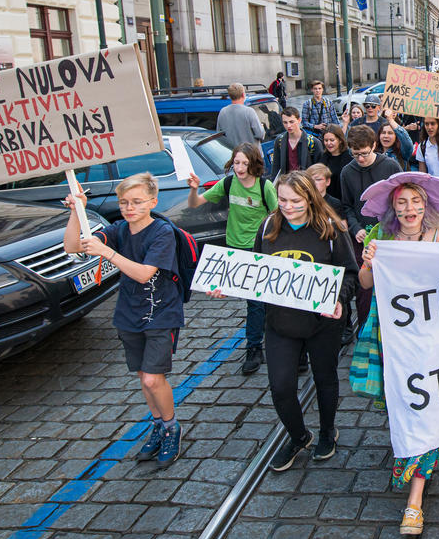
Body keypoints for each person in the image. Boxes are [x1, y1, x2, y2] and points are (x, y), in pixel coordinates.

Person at [218, 172, 357, 471]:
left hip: (322, 324)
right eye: (282, 200)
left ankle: (326, 431)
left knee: (325, 379)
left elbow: (350, 273)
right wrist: (227, 284)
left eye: (295, 201)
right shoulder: (268, 226)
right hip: (281, 323)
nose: (288, 206)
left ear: (310, 198)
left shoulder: (330, 229)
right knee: (280, 387)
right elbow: (253, 271)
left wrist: (339, 299)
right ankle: (298, 436)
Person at [358, 173, 439, 535]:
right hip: (394, 337)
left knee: (427, 404)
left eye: (416, 202)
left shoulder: (438, 237)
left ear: (426, 206)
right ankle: (410, 445)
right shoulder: (380, 239)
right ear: (393, 208)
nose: (409, 209)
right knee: (403, 403)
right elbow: (365, 283)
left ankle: (414, 501)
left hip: (432, 339)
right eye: (402, 202)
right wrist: (369, 260)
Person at [62, 173, 184, 467]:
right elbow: (73, 246)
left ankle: (171, 428)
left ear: (153, 202)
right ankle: (157, 423)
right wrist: (76, 212)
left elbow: (144, 273)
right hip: (129, 313)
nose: (129, 208)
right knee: (144, 377)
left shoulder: (161, 233)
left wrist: (107, 252)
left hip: (160, 313)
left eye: (137, 202)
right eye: (124, 202)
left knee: (155, 378)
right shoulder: (118, 230)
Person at [186, 143, 279, 374]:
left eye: (245, 163)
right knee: (253, 301)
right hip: (234, 248)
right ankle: (259, 341)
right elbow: (195, 204)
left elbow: (278, 215)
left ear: (254, 163)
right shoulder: (227, 183)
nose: (240, 167)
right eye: (236, 162)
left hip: (258, 248)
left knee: (257, 301)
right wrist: (193, 189)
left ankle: (255, 347)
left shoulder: (264, 186)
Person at [340, 126, 404, 326]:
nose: (360, 158)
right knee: (364, 290)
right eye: (355, 154)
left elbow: (403, 198)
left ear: (374, 146)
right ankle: (365, 328)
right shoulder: (347, 172)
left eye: (364, 153)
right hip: (362, 238)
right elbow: (347, 206)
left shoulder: (391, 166)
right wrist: (355, 227)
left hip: (391, 235)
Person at [271, 107, 322, 178]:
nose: (288, 126)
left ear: (299, 120)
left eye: (291, 122)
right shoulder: (280, 140)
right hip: (287, 184)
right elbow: (276, 167)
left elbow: (320, 169)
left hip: (306, 184)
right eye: (285, 122)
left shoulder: (313, 142)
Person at [216, 83, 266, 150]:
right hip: (252, 155)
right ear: (243, 94)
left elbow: (219, 136)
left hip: (234, 155)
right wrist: (262, 126)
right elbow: (260, 134)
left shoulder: (223, 112)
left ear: (230, 96)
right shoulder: (249, 111)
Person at [307, 162, 348, 228]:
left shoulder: (335, 203)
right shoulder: (303, 202)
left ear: (328, 181)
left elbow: (343, 229)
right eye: (310, 180)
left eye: (318, 179)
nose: (314, 183)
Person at [318, 126, 352, 202]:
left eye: (332, 140)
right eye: (326, 140)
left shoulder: (348, 157)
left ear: (340, 140)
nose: (328, 143)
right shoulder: (323, 157)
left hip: (343, 201)